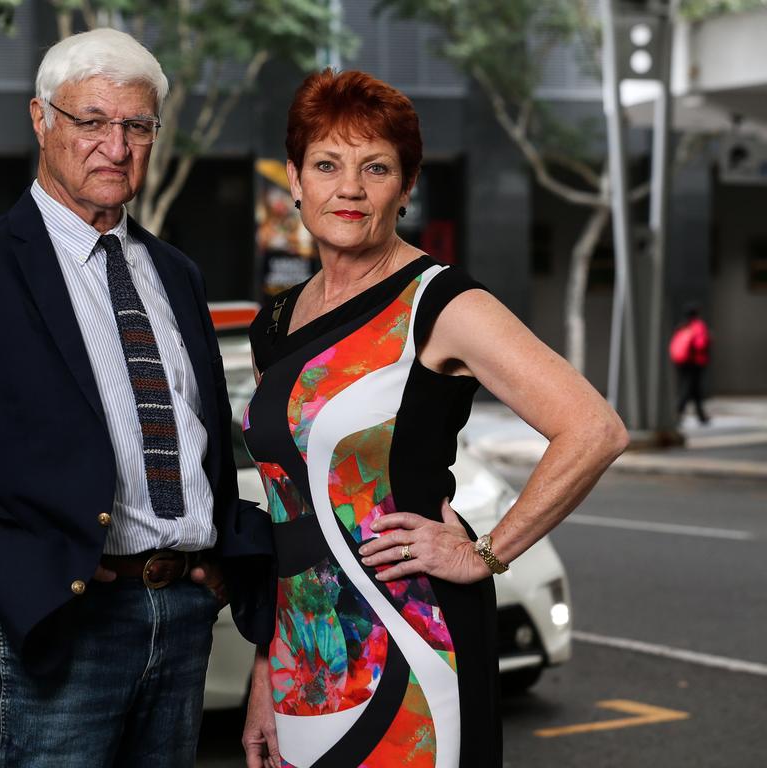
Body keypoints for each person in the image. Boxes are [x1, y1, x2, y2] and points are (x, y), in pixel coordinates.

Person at [0, 28, 274, 768]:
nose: (116, 146)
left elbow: (198, 435)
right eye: (91, 121)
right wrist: (11, 578)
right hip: (57, 626)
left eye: (136, 126)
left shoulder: (176, 273)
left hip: (180, 618)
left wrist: (218, 564)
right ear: (41, 120)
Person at [239, 69, 629, 768]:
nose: (349, 188)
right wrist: (266, 668)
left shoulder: (441, 303)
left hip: (414, 640)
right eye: (327, 165)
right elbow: (284, 514)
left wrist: (485, 552)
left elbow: (594, 428)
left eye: (376, 167)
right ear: (294, 179)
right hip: (306, 656)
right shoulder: (275, 321)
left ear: (407, 186)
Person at [670, 303, 711, 424]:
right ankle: (677, 411)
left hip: (681, 361)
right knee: (688, 388)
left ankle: (701, 416)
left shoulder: (682, 325)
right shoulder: (698, 326)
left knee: (694, 388)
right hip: (695, 361)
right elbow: (701, 344)